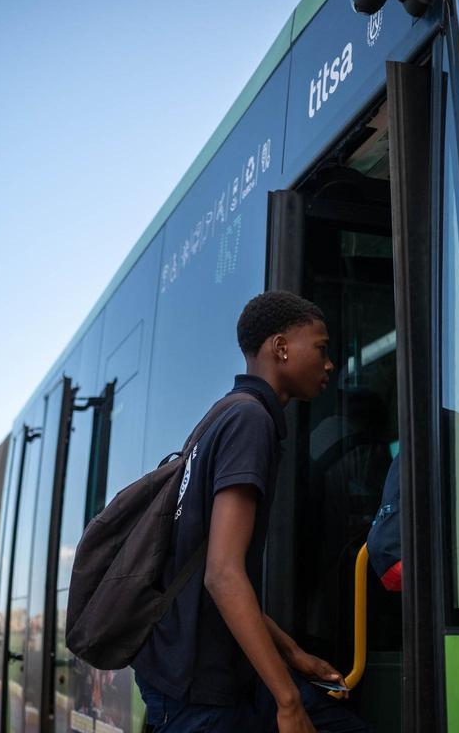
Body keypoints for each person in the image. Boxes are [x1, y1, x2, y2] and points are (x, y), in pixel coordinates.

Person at [132, 291, 368, 733]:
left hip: (208, 675)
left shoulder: (223, 413)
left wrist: (293, 654)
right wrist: (287, 701)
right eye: (321, 348)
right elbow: (222, 575)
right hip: (199, 689)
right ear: (280, 348)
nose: (330, 364)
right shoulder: (250, 421)